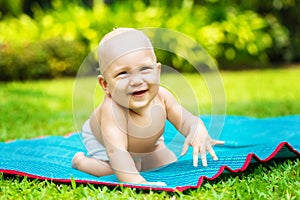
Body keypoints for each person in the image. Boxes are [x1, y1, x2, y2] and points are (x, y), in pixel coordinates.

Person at [72, 28, 224, 186]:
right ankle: (81, 162)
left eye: (144, 69)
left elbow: (186, 120)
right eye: (123, 73)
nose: (137, 81)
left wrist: (196, 129)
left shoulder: (163, 97)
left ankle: (145, 156)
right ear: (106, 85)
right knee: (119, 170)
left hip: (149, 141)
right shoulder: (112, 110)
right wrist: (138, 181)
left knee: (167, 163)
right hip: (105, 143)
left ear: (157, 71)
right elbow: (116, 151)